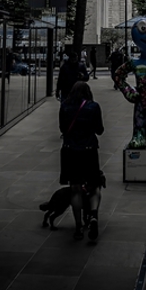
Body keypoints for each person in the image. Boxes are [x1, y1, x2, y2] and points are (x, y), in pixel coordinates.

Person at [59, 81, 104, 240]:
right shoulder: (93, 106)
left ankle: (78, 226)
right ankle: (92, 216)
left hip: (71, 151)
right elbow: (100, 130)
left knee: (75, 188)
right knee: (94, 185)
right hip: (89, 151)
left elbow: (63, 129)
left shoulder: (64, 106)